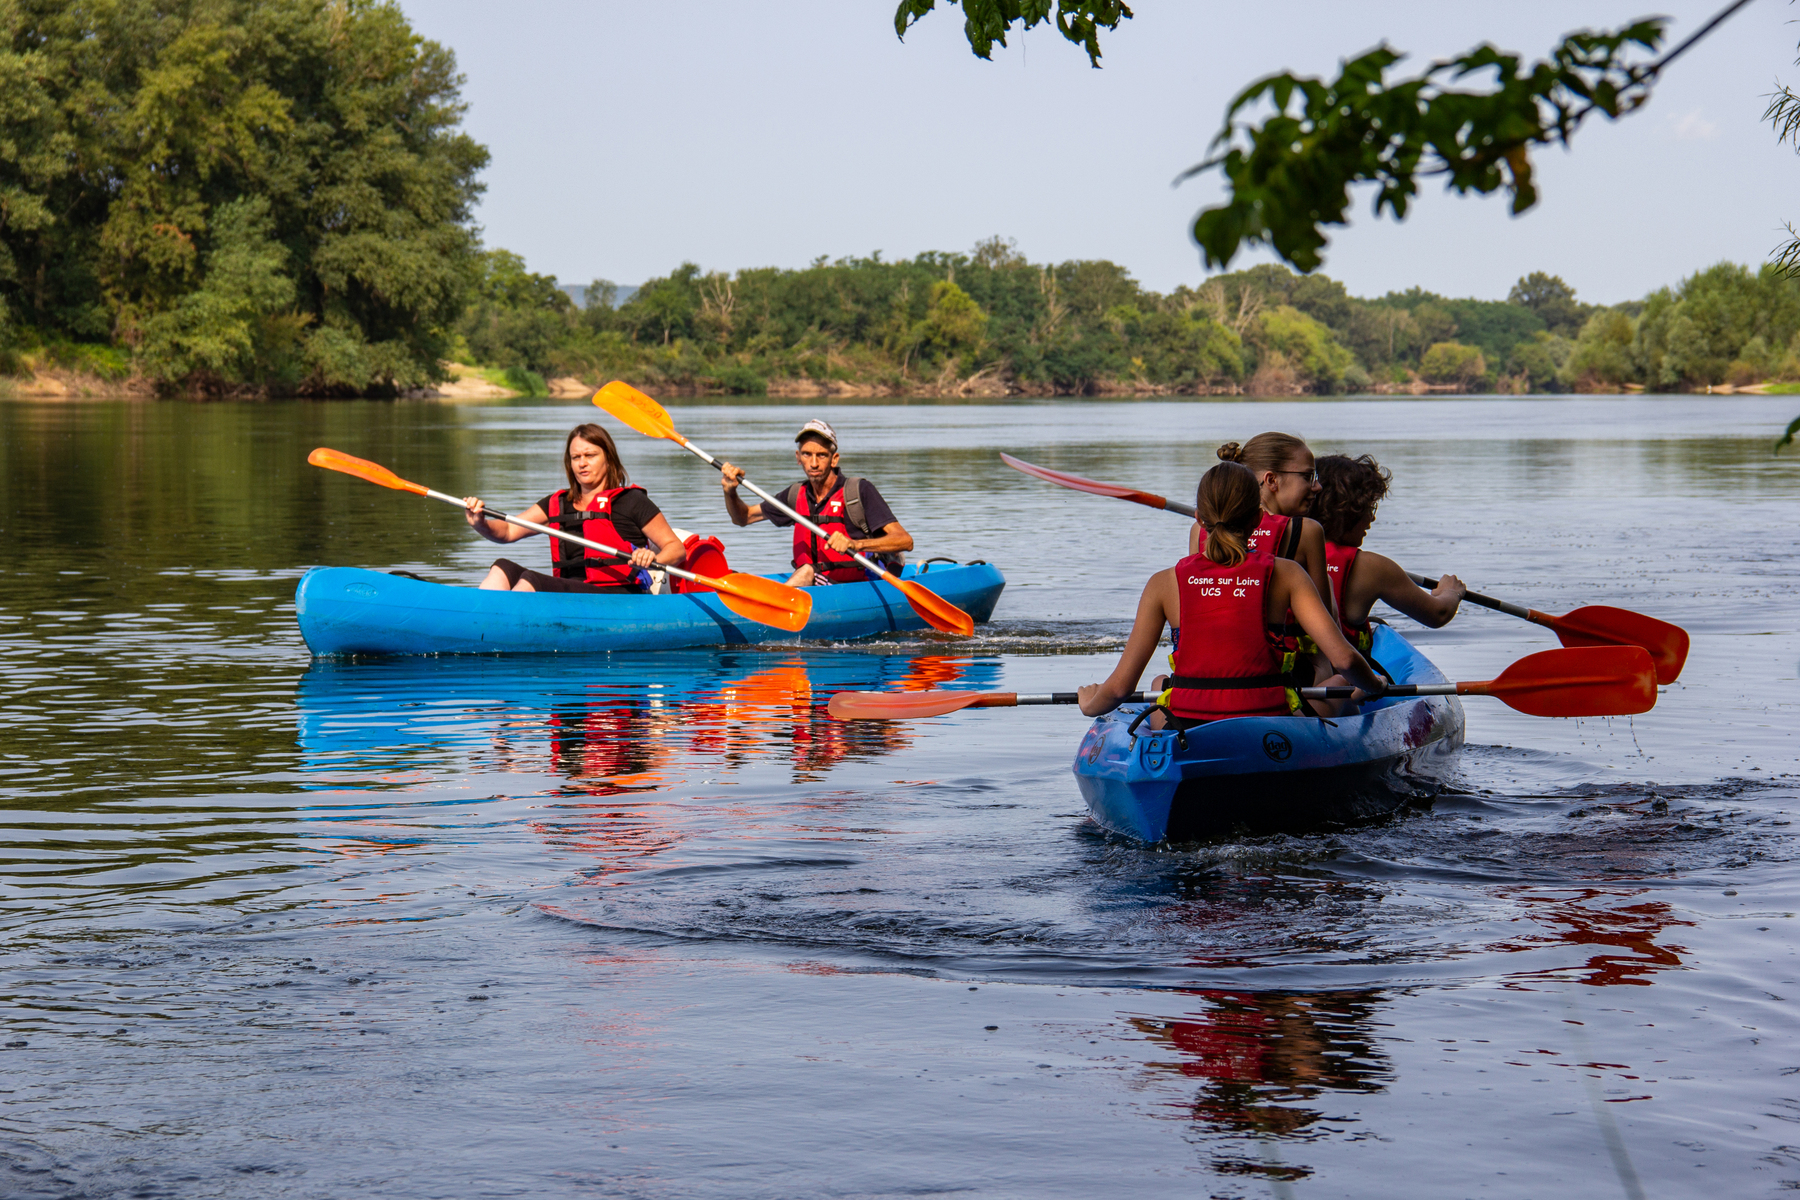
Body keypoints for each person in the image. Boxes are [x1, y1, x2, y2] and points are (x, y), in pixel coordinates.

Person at [1079, 462, 1384, 724]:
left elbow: (1119, 689)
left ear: (1199, 519)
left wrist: (1090, 703)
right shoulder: (1289, 574)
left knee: (1161, 685)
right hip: (1271, 719)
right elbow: (1344, 659)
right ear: (1257, 519)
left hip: (1187, 721)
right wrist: (1373, 684)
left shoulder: (1163, 582)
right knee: (1344, 682)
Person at [463, 423, 685, 593]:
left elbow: (676, 549)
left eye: (590, 455)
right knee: (503, 568)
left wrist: (652, 559)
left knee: (532, 579)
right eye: (575, 457)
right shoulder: (558, 504)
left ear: (608, 458)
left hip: (617, 596)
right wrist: (480, 524)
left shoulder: (631, 501)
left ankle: (498, 627)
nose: (582, 463)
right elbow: (509, 531)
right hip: (569, 592)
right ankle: (477, 620)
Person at [718, 418, 914, 587]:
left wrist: (855, 543)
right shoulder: (795, 495)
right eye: (806, 454)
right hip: (814, 587)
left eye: (821, 455)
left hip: (853, 587)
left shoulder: (859, 491)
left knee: (806, 572)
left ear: (834, 459)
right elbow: (743, 517)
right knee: (738, 575)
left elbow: (905, 541)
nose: (813, 463)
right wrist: (730, 491)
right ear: (798, 458)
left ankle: (771, 608)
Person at [1312, 454, 1466, 649]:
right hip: (1343, 677)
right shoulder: (1372, 568)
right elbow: (1438, 614)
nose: (1372, 518)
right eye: (1369, 507)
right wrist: (1450, 592)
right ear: (1348, 511)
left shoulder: (1281, 552)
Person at [1191, 433, 1334, 611]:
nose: (1317, 486)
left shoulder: (1199, 529)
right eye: (1307, 477)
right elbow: (1328, 617)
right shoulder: (1307, 531)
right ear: (1271, 480)